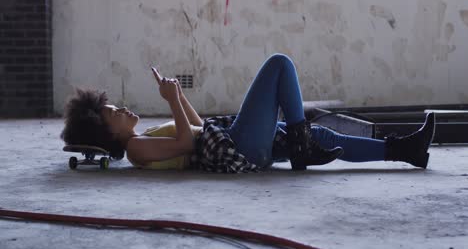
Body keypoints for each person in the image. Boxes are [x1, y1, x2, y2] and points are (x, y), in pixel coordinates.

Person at [60, 54, 435, 173]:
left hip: (231, 140)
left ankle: (405, 151)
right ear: (107, 134)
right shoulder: (138, 150)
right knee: (279, 65)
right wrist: (172, 101)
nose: (123, 109)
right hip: (237, 148)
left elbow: (196, 127)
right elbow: (189, 142)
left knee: (325, 138)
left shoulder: (144, 138)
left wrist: (177, 94)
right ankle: (301, 145)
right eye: (113, 112)